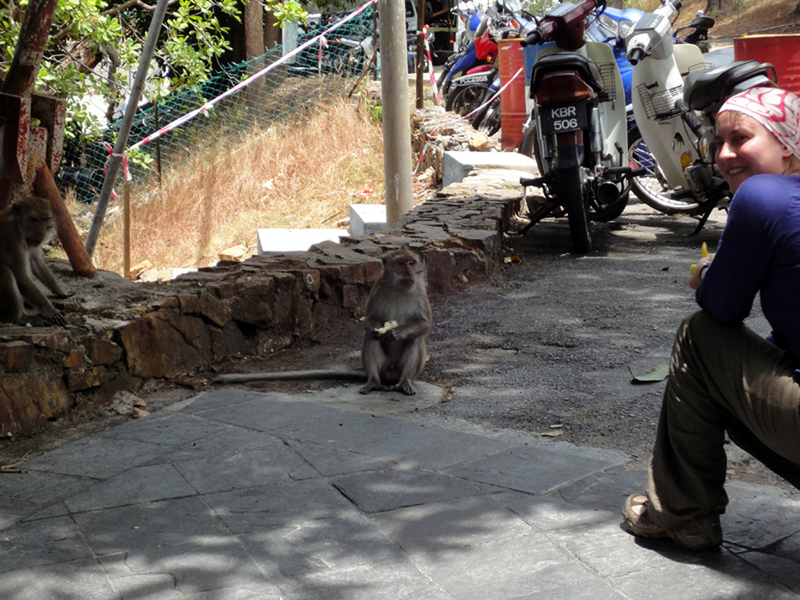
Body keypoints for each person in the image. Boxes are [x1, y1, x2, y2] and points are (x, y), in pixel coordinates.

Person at [621, 87, 800, 551]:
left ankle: (683, 514)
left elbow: (721, 308)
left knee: (698, 338)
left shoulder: (763, 195)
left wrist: (708, 274)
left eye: (741, 139)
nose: (724, 155)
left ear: (788, 144)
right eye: (716, 142)